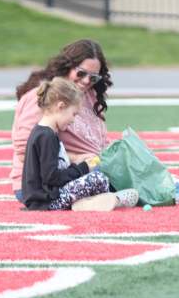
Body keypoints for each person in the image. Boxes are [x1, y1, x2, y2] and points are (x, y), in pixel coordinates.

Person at [10, 39, 179, 203]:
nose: (85, 81)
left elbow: (98, 143)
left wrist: (114, 157)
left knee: (143, 169)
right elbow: (25, 148)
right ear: (66, 66)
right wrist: (79, 162)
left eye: (92, 77)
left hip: (87, 171)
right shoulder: (42, 98)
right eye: (80, 73)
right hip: (44, 187)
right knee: (141, 184)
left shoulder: (88, 95)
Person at [20, 76, 139, 211]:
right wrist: (83, 168)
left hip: (47, 197)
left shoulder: (44, 132)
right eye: (74, 114)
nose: (73, 120)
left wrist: (78, 161)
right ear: (61, 106)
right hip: (47, 201)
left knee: (97, 176)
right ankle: (110, 199)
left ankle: (90, 202)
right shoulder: (46, 136)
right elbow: (52, 178)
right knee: (97, 178)